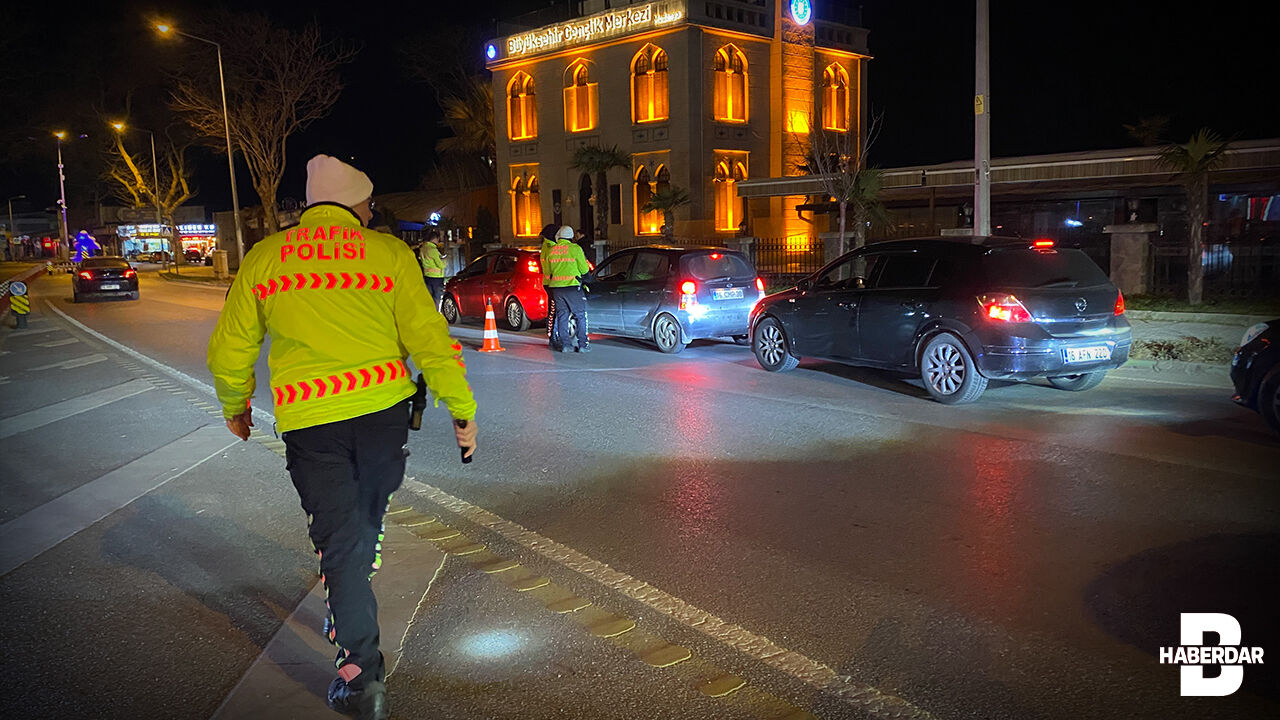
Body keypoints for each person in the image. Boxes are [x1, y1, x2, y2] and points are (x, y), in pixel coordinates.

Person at [207, 155, 477, 720]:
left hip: (312, 425)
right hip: (382, 418)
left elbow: (231, 347)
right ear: (357, 205)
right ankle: (353, 593)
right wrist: (462, 407)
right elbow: (429, 336)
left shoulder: (266, 258)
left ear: (310, 206)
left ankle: (361, 679)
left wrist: (236, 406)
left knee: (340, 542)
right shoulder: (387, 254)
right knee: (361, 528)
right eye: (369, 205)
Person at [542, 225, 591, 353]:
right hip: (572, 287)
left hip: (557, 289)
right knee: (580, 316)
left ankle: (566, 345)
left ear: (558, 236)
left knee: (562, 316)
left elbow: (548, 271)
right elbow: (584, 269)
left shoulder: (552, 250)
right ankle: (583, 345)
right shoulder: (575, 249)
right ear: (571, 237)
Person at [537, 223, 560, 350]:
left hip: (550, 282)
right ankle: (552, 336)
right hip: (552, 283)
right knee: (553, 310)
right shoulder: (551, 246)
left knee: (553, 310)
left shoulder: (547, 246)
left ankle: (554, 335)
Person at [418, 229, 446, 306]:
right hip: (436, 278)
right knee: (437, 299)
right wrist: (444, 260)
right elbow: (441, 265)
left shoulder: (423, 248)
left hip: (427, 276)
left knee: (429, 298)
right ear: (435, 239)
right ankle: (436, 314)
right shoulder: (433, 250)